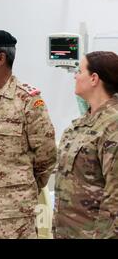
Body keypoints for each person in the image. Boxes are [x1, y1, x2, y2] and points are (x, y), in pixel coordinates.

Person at [0, 30, 57, 239]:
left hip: (12, 214)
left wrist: (21, 188)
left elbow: (47, 155)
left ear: (0, 58)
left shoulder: (28, 100)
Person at [54, 51, 118, 239]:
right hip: (68, 232)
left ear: (94, 79)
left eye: (79, 71)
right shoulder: (82, 123)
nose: (75, 76)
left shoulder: (113, 124)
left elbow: (115, 195)